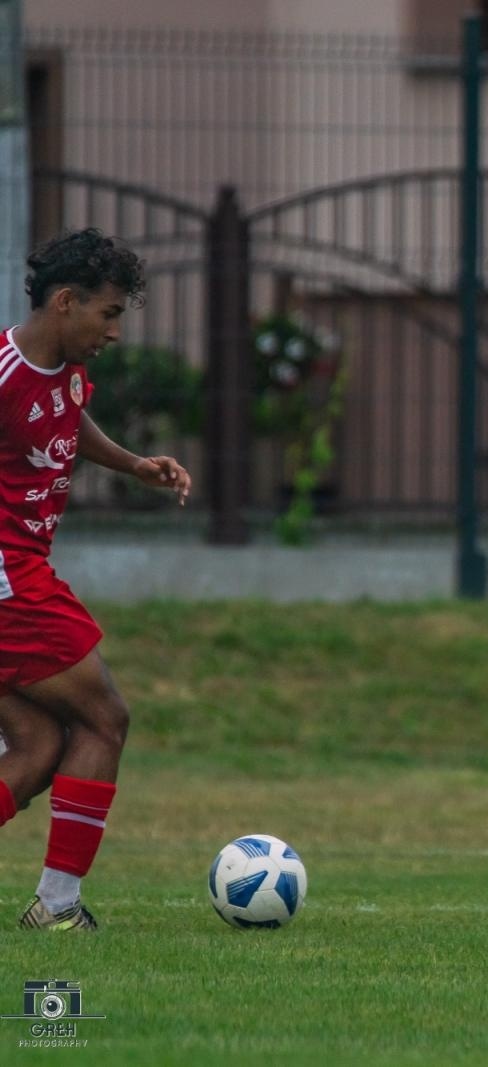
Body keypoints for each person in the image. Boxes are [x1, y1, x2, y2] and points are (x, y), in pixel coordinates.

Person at [0, 228, 192, 931]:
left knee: (39, 746)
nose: (114, 330)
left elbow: (69, 419)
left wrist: (132, 462)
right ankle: (57, 908)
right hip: (7, 579)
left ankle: (55, 906)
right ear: (65, 301)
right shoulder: (4, 372)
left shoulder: (69, 371)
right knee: (106, 717)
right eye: (108, 314)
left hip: (22, 573)